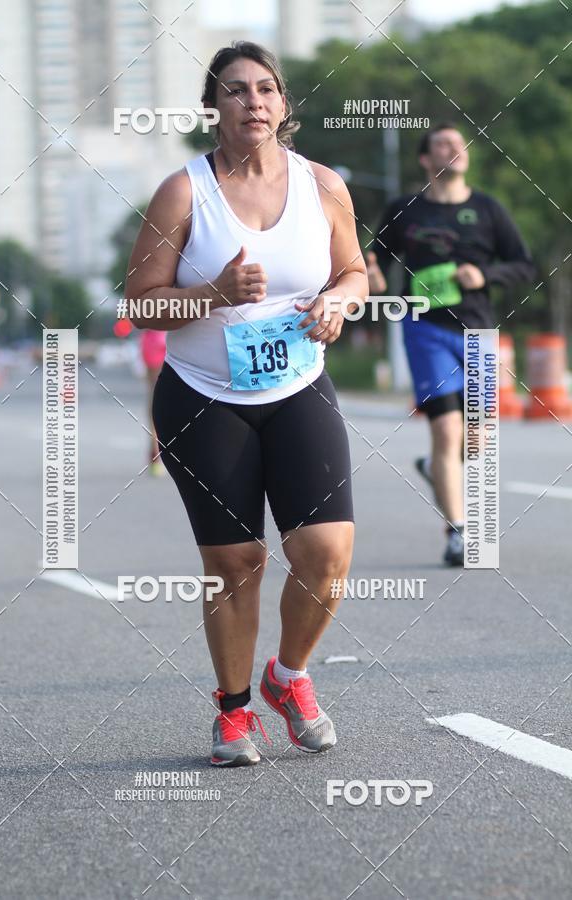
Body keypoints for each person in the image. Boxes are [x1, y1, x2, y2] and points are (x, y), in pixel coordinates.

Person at [126, 42, 368, 766]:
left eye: (265, 89)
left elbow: (356, 271)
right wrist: (214, 294)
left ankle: (288, 677)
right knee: (236, 560)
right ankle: (233, 713)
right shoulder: (183, 192)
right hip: (204, 397)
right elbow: (140, 302)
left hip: (297, 386)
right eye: (235, 90)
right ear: (213, 108)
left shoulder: (323, 185)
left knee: (327, 552)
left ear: (284, 103)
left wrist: (338, 301)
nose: (252, 102)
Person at [367, 122, 535, 566]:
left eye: (460, 143)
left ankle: (435, 470)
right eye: (443, 143)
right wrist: (372, 274)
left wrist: (486, 275)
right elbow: (373, 259)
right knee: (446, 429)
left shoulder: (488, 209)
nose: (455, 148)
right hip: (425, 329)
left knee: (475, 439)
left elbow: (524, 264)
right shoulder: (405, 208)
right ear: (426, 159)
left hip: (478, 332)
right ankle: (459, 532)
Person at [139, 329, 167, 475]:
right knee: (157, 394)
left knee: (155, 394)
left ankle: (155, 452)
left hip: (156, 338)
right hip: (161, 338)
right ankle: (155, 451)